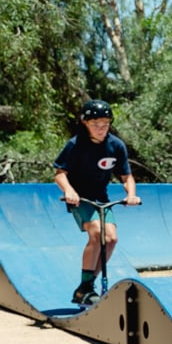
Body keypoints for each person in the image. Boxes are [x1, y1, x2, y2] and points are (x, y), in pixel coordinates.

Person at [53, 99, 140, 305]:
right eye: (95, 125)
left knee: (111, 239)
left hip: (101, 198)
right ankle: (85, 287)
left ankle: (86, 286)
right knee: (97, 234)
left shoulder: (116, 146)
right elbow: (59, 174)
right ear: (85, 124)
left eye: (105, 125)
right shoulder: (75, 145)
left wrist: (131, 195)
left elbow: (126, 177)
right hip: (80, 198)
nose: (101, 129)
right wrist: (69, 190)